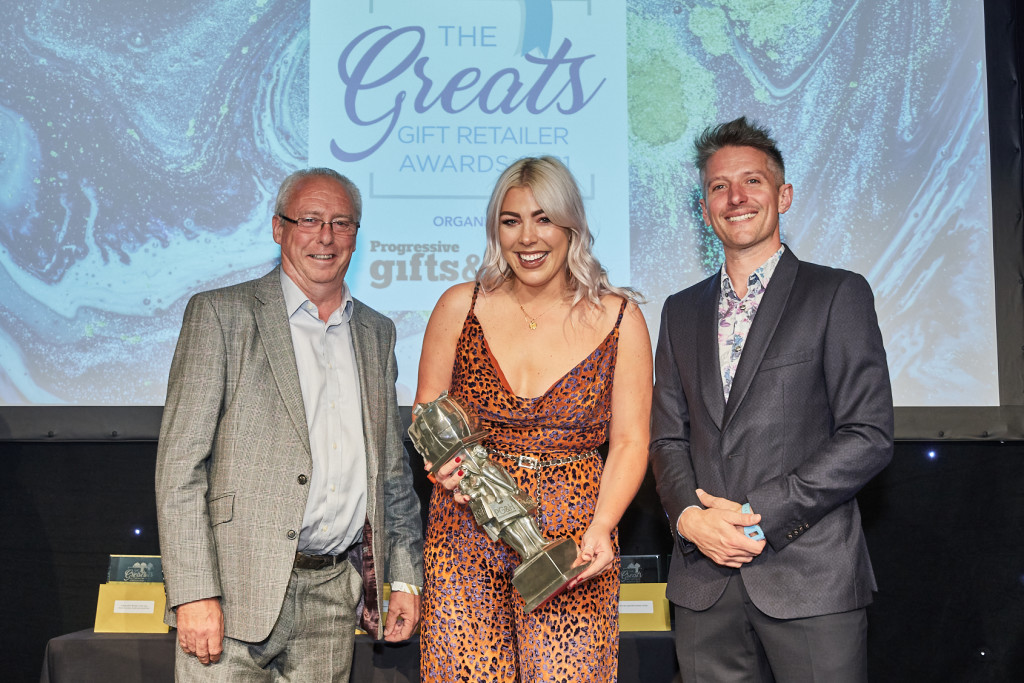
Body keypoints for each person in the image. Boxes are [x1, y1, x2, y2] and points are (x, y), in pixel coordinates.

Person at [650, 116, 894, 682]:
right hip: (702, 580)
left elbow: (868, 436)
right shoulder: (678, 310)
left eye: (752, 182)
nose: (736, 198)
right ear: (704, 207)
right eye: (718, 187)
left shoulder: (837, 293)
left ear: (782, 194)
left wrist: (759, 517)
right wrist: (689, 519)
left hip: (810, 575)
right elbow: (667, 436)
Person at [155, 168, 424, 681]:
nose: (326, 236)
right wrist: (193, 592)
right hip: (232, 595)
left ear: (356, 236)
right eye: (310, 220)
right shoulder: (220, 315)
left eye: (342, 223)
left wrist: (405, 578)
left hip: (332, 595)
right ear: (279, 228)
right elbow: (180, 469)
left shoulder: (376, 333)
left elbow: (391, 475)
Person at [414, 156, 652, 682]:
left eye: (543, 218)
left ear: (571, 226)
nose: (527, 237)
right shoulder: (460, 306)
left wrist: (603, 528)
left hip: (573, 539)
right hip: (465, 528)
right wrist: (443, 466)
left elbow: (632, 441)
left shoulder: (619, 317)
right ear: (495, 229)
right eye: (511, 220)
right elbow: (428, 409)